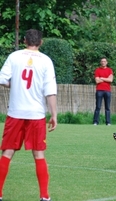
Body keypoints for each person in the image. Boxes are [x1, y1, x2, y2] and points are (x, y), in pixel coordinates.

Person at [0, 29, 57, 201]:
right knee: (39, 154)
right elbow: (50, 91)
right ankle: (44, 196)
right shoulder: (46, 61)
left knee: (6, 153)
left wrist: (15, 84)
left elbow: (2, 79)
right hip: (36, 114)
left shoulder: (14, 57)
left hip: (15, 112)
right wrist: (54, 114)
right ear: (41, 42)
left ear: (24, 41)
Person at [93, 57, 113, 126]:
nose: (103, 62)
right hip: (99, 90)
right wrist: (106, 79)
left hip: (107, 91)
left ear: (106, 62)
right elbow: (97, 81)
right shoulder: (97, 70)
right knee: (98, 107)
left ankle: (108, 122)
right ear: (100, 62)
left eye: (104, 61)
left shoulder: (109, 70)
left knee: (107, 107)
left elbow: (111, 80)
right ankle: (95, 122)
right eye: (102, 61)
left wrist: (102, 78)